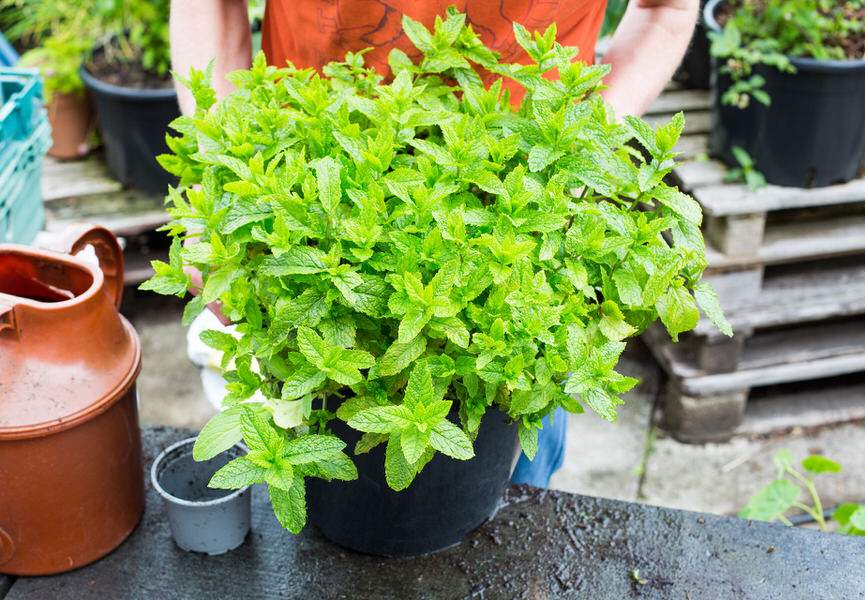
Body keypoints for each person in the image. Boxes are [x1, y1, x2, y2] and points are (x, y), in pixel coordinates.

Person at [170, 0, 699, 488]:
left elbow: (665, 8)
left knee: (505, 528)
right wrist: (214, 180)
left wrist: (581, 158)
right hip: (298, 201)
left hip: (526, 235)